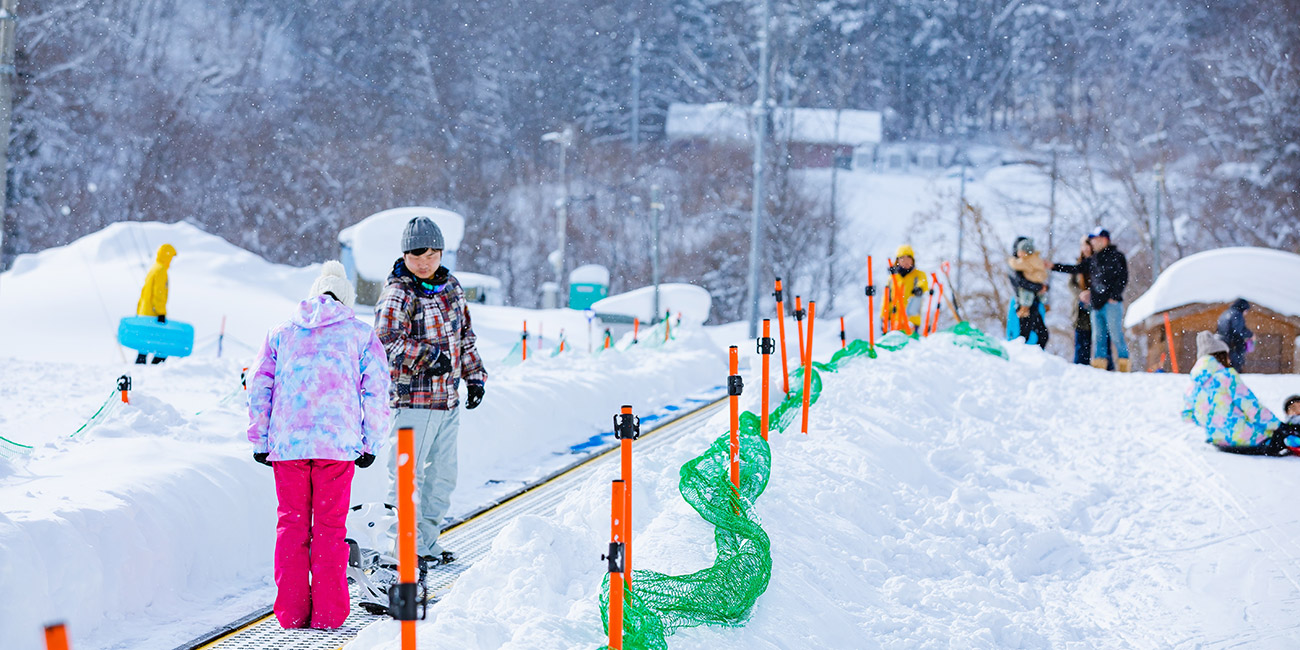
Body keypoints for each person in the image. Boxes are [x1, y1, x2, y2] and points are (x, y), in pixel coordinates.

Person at [246, 261, 392, 629]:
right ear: (345, 299)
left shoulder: (281, 332)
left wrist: (260, 437)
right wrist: (371, 441)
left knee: (292, 527)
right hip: (337, 445)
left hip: (288, 446)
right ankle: (328, 615)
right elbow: (376, 390)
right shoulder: (359, 334)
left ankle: (292, 614)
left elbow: (259, 386)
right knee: (329, 528)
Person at [374, 216, 487, 566]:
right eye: (416, 256)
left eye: (431, 255)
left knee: (442, 477)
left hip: (448, 401)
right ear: (405, 255)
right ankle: (401, 549)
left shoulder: (451, 287)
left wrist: (475, 376)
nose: (424, 263)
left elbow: (464, 335)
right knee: (408, 478)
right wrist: (428, 356)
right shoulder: (398, 293)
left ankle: (425, 543)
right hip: (415, 402)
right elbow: (385, 341)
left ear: (441, 253)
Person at [1182, 331, 1294, 455]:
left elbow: (1187, 415)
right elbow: (1252, 408)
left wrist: (1213, 424)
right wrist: (1278, 426)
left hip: (1218, 441)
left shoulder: (1192, 384)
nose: (1229, 360)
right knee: (1285, 438)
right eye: (1227, 355)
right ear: (1221, 356)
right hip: (1247, 440)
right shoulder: (1226, 376)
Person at [1051, 227, 1130, 371]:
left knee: (1116, 336)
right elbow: (1075, 269)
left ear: (1104, 240)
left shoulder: (1117, 256)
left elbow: (1123, 278)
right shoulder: (1093, 260)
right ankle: (1100, 365)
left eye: (1095, 240)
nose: (1093, 243)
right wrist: (1054, 266)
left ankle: (1124, 366)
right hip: (1096, 304)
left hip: (1111, 304)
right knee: (1098, 337)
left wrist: (1114, 295)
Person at [134, 243, 176, 364]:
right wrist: (161, 313)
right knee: (162, 346)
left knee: (144, 346)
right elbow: (159, 294)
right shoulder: (161, 270)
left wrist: (139, 310)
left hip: (144, 312)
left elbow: (144, 292)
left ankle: (140, 369)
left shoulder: (153, 268)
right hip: (153, 314)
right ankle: (154, 370)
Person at [1007, 237, 1049, 349]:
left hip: (1034, 303)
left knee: (1041, 334)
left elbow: (1039, 277)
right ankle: (1024, 356)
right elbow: (1020, 282)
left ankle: (1037, 356)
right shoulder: (1015, 265)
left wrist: (1043, 287)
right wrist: (1039, 287)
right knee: (1023, 334)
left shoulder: (1029, 261)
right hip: (1022, 303)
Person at [880, 244, 929, 334]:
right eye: (902, 258)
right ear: (897, 261)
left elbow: (923, 284)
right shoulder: (892, 278)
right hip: (895, 320)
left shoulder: (918, 274)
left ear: (913, 260)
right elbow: (886, 299)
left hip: (911, 320)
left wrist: (919, 289)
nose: (906, 261)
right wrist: (884, 316)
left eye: (908, 258)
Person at [1216, 298, 1253, 372]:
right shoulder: (1237, 314)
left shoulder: (1225, 313)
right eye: (1246, 311)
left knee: (1223, 363)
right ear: (1242, 308)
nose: (1246, 313)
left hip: (1219, 341)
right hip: (1231, 343)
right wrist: (1251, 335)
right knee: (1234, 365)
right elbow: (1239, 331)